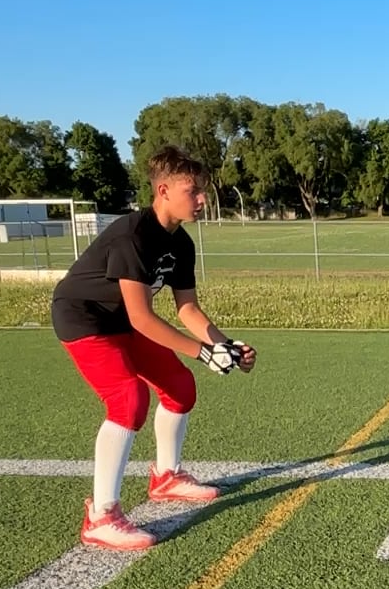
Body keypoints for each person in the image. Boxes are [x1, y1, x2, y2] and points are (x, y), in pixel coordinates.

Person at [51, 144, 256, 551]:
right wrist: (201, 352)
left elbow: (189, 309)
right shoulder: (133, 235)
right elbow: (142, 318)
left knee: (180, 387)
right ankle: (101, 515)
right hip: (84, 318)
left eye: (203, 191)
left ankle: (166, 477)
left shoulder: (181, 243)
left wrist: (225, 346)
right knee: (128, 399)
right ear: (163, 191)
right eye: (193, 191)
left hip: (122, 320)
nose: (202, 200)